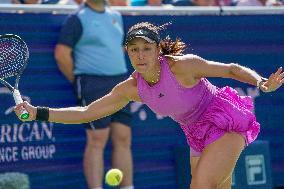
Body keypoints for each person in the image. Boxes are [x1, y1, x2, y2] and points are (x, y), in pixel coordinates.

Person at [15, 22, 283, 189]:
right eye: (134, 49)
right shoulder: (131, 89)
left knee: (201, 186)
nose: (140, 55)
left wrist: (260, 82)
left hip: (223, 118)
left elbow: (232, 70)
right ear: (127, 53)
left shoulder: (182, 66)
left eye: (146, 48)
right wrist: (37, 112)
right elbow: (87, 113)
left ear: (157, 50)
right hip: (194, 133)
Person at [53, 0, 134, 189]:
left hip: (120, 84)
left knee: (123, 137)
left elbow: (118, 49)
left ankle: (128, 187)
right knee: (97, 139)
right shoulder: (76, 18)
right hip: (92, 84)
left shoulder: (116, 15)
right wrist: (79, 81)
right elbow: (61, 54)